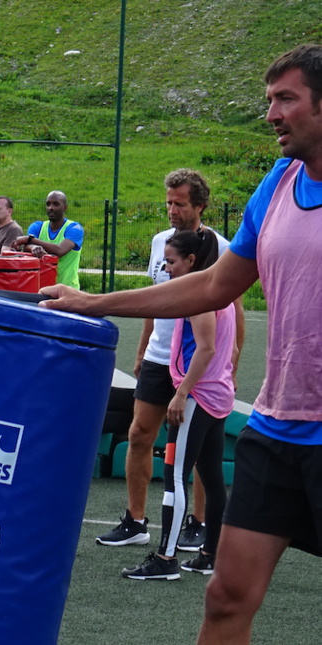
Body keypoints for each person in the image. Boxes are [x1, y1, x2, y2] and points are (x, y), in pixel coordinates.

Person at [41, 43, 322, 645]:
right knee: (225, 598)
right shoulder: (279, 183)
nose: (271, 113)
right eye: (269, 99)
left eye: (286, 99)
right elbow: (217, 285)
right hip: (277, 429)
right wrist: (96, 303)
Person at [95, 169, 244, 551]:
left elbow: (236, 312)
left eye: (179, 203)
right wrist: (143, 349)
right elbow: (153, 297)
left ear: (199, 205)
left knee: (192, 451)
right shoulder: (161, 241)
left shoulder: (224, 248)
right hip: (162, 356)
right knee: (138, 434)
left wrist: (231, 365)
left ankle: (198, 524)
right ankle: (136, 520)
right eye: (168, 202)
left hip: (198, 364)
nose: (172, 210)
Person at [121, 230, 234, 580]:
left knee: (175, 477)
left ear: (191, 262)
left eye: (171, 262)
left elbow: (206, 348)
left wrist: (182, 392)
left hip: (198, 398)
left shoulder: (199, 295)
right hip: (217, 396)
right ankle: (210, 554)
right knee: (213, 478)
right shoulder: (219, 293)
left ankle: (166, 559)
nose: (166, 269)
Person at [11, 190, 84, 288]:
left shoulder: (74, 228)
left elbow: (60, 250)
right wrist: (33, 247)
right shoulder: (37, 227)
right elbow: (27, 246)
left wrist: (31, 240)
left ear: (65, 207)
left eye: (56, 204)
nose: (51, 208)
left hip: (67, 290)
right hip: (41, 289)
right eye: (48, 204)